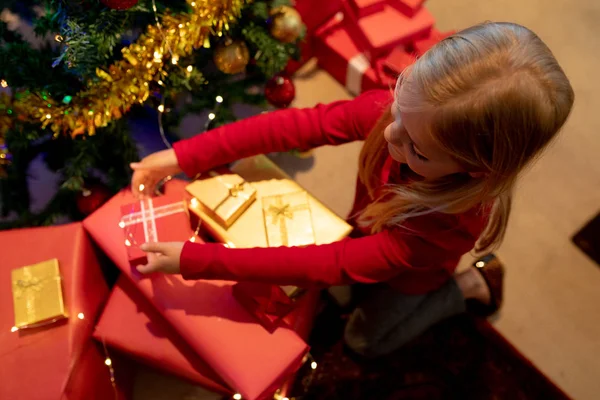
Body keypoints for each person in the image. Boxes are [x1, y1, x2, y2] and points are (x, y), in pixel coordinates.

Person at [130, 22, 574, 357]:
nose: (389, 135)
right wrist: (184, 156)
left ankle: (472, 284)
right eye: (398, 105)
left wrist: (197, 260)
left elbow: (333, 264)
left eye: (415, 148)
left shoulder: (441, 226)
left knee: (364, 341)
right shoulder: (404, 117)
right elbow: (293, 126)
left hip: (416, 275)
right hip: (371, 229)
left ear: (475, 171)